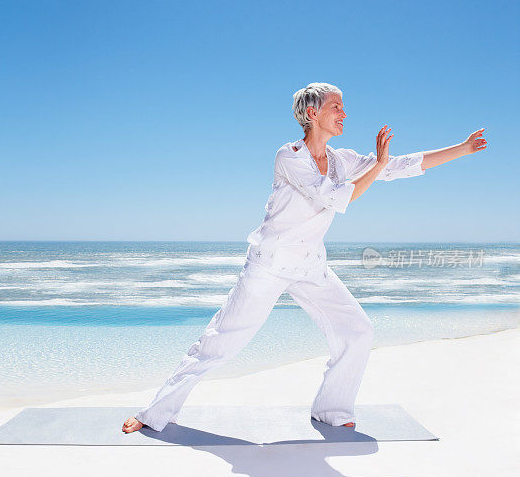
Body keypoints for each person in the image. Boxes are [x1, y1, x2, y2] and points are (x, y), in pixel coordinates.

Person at [122, 82, 487, 433]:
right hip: (270, 264)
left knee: (357, 330)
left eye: (344, 106)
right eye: (336, 106)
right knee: (219, 342)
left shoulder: (342, 159)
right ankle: (154, 413)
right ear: (312, 113)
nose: (344, 113)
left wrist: (463, 149)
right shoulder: (289, 156)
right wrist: (377, 166)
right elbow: (335, 196)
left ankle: (332, 410)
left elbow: (398, 166)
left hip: (311, 265)